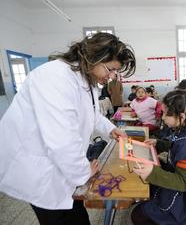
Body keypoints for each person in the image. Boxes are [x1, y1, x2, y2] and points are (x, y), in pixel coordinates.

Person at [0, 32, 135, 225]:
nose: (112, 76)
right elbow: (61, 141)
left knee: (75, 215)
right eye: (111, 69)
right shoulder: (54, 77)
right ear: (95, 57)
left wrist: (111, 129)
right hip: (39, 171)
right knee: (58, 217)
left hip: (61, 168)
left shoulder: (87, 81)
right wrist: (83, 172)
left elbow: (92, 114)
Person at [131, 90, 186, 225]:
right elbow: (175, 145)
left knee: (138, 215)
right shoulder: (184, 131)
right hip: (182, 184)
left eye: (166, 114)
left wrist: (152, 172)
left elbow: (183, 183)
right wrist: (159, 143)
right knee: (147, 193)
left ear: (182, 117)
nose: (162, 117)